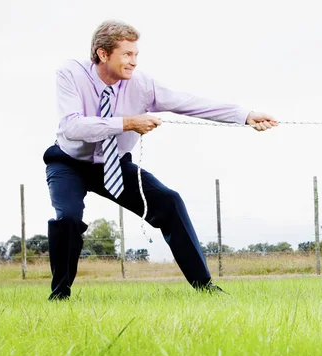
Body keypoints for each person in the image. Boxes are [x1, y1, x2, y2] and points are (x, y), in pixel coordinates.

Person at [44, 20, 278, 300]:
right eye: (127, 54)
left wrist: (244, 115)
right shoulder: (71, 73)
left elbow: (190, 103)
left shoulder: (141, 85)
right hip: (69, 162)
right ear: (103, 54)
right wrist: (128, 123)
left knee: (169, 202)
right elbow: (73, 127)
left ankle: (205, 288)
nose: (133, 62)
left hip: (115, 163)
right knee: (68, 218)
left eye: (136, 55)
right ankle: (60, 296)